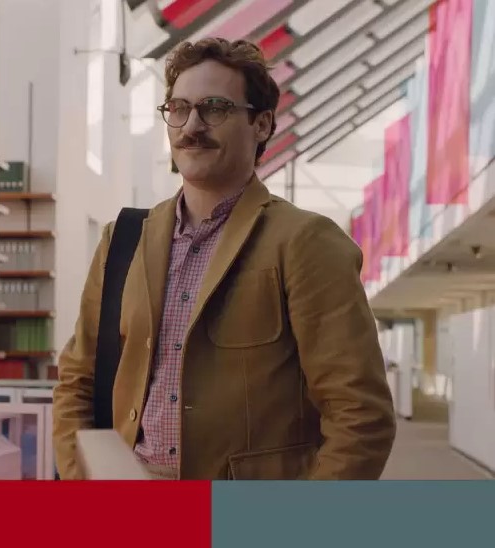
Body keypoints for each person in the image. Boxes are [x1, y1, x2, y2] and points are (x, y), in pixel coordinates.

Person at [52, 37, 396, 480]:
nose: (191, 126)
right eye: (178, 109)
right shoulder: (123, 241)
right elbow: (76, 382)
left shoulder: (306, 242)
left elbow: (360, 414)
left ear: (261, 124)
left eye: (214, 108)